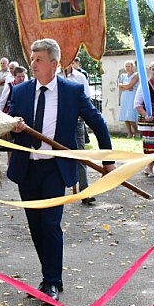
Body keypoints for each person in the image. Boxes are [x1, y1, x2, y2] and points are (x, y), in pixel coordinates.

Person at [8, 38, 115, 301]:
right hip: (27, 169)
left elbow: (97, 122)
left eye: (38, 59)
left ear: (54, 64)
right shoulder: (20, 91)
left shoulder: (72, 91)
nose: (32, 64)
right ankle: (48, 275)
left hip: (55, 169)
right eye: (32, 59)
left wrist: (107, 159)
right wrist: (13, 125)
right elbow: (7, 120)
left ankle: (52, 281)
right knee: (35, 225)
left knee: (51, 223)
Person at [65, 63, 96, 205]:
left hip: (77, 122)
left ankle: (85, 191)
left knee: (80, 156)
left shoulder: (80, 77)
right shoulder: (53, 75)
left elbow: (87, 99)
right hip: (57, 124)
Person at [118, 60, 140, 137]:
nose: (127, 68)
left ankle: (136, 132)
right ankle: (129, 133)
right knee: (125, 115)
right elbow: (120, 87)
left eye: (129, 66)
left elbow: (131, 85)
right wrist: (126, 87)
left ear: (132, 67)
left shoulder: (136, 75)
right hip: (124, 96)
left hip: (132, 96)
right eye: (126, 66)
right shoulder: (123, 76)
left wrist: (124, 86)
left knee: (130, 115)